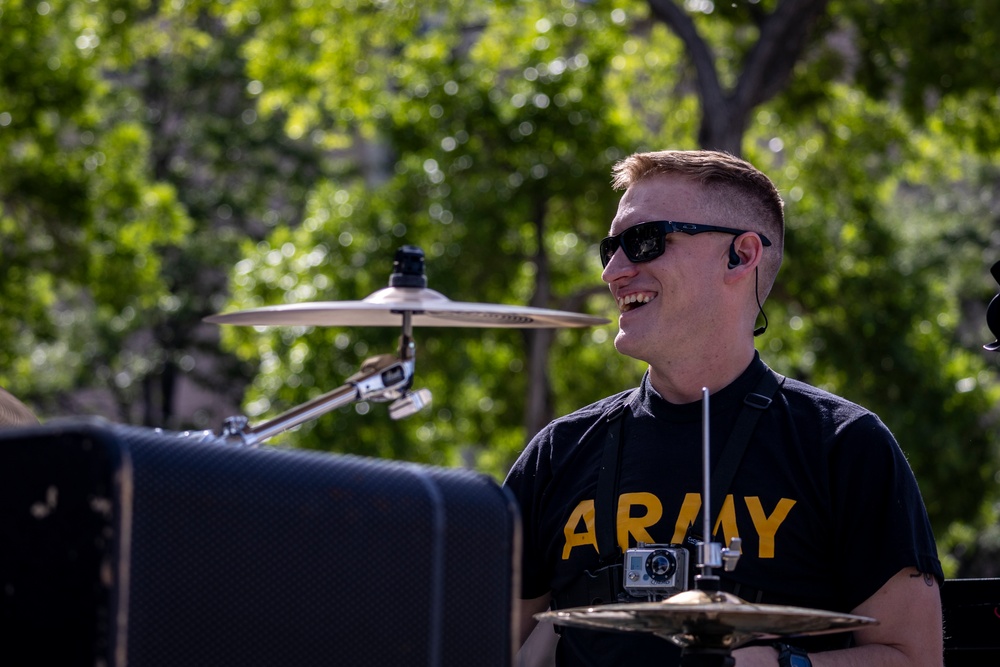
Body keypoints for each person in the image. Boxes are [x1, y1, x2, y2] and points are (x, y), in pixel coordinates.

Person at [504, 150, 943, 666]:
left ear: (741, 255)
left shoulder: (844, 444)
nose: (614, 272)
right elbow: (471, 642)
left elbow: (913, 657)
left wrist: (786, 666)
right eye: (610, 249)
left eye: (643, 242)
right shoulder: (559, 452)